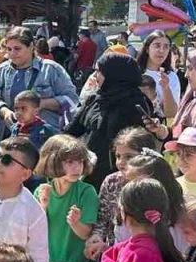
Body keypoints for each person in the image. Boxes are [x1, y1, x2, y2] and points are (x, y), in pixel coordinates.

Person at [66, 53, 156, 189]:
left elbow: (137, 142)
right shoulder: (96, 98)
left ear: (114, 74)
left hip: (120, 176)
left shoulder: (136, 103)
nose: (95, 76)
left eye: (99, 72)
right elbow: (74, 129)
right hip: (87, 169)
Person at [137, 31, 180, 121]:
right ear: (147, 49)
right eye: (157, 45)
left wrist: (166, 88)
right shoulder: (134, 72)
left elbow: (171, 114)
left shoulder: (171, 77)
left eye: (166, 47)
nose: (161, 50)